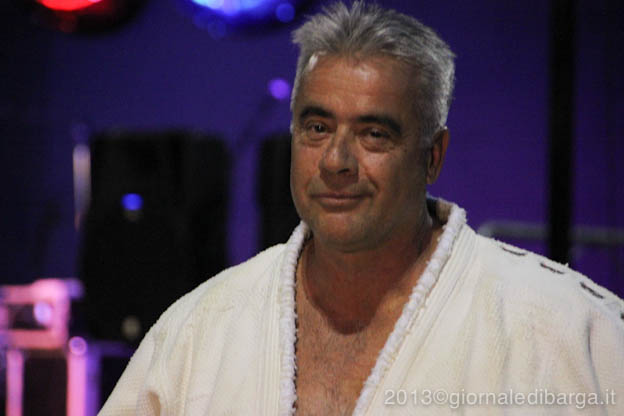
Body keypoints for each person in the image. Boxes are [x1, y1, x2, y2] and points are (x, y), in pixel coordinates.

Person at [100, 2, 624, 415]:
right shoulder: (200, 330)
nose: (335, 161)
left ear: (432, 156)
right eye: (317, 127)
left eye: (374, 134)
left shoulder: (568, 331)